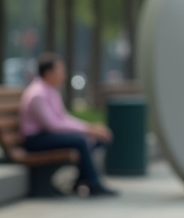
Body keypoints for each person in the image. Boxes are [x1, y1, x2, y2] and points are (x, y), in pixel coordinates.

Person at [19, 52, 117, 196]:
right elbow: (53, 125)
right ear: (48, 72)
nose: (64, 74)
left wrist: (90, 129)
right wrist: (87, 130)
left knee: (98, 139)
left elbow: (63, 118)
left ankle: (80, 181)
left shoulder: (51, 90)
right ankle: (94, 184)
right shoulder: (37, 94)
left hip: (47, 135)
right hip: (35, 140)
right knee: (82, 141)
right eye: (60, 70)